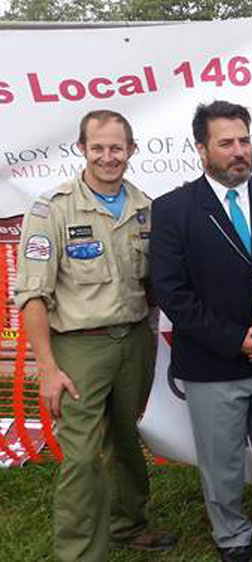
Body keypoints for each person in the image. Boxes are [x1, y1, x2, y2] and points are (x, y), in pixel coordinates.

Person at [150, 101, 252, 562]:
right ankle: (231, 536)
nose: (239, 151)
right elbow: (171, 292)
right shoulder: (173, 209)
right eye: (226, 143)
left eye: (244, 140)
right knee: (221, 459)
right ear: (202, 149)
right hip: (212, 363)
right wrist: (233, 339)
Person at [15, 110, 176, 562]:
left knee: (126, 439)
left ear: (131, 150)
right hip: (78, 347)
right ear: (82, 149)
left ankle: (129, 525)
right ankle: (79, 552)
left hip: (134, 341)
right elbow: (32, 296)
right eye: (99, 147)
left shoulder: (146, 208)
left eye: (117, 148)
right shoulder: (52, 209)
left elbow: (155, 284)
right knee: (83, 455)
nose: (108, 157)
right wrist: (47, 368)